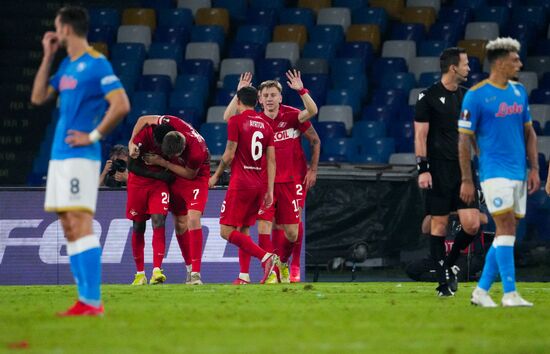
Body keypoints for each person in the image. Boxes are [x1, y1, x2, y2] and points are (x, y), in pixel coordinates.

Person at [30, 6, 130, 316]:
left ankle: (93, 300)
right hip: (59, 156)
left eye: (57, 28)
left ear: (66, 29)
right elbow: (37, 97)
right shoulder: (67, 67)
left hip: (80, 156)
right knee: (68, 225)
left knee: (80, 222)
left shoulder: (96, 64)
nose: (55, 33)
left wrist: (94, 135)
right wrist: (48, 56)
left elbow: (121, 104)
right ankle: (84, 299)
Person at [459, 37, 540, 307]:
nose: (520, 63)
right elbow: (464, 139)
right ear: (500, 62)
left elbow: (529, 133)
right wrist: (468, 179)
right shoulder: (477, 95)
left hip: (518, 172)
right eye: (515, 59)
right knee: (505, 227)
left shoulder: (519, 92)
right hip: (494, 172)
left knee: (507, 232)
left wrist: (534, 168)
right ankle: (510, 293)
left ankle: (481, 291)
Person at [223, 71, 318, 284]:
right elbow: (229, 118)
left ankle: (283, 262)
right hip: (265, 182)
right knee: (264, 226)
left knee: (292, 233)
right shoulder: (256, 120)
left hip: (291, 181)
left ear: (280, 97)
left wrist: (301, 90)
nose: (269, 98)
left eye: (273, 94)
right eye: (265, 95)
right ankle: (273, 272)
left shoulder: (292, 115)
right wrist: (238, 93)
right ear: (259, 99)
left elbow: (312, 110)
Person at [414, 47, 480, 297]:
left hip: (463, 170)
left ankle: (450, 264)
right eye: (465, 64)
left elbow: (472, 133)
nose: (469, 68)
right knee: (439, 226)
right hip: (438, 169)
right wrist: (423, 169)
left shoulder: (468, 97)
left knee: (472, 225)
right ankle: (443, 282)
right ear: (453, 67)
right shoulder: (427, 97)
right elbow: (420, 136)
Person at [129, 115, 210, 285]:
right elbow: (143, 119)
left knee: (193, 218)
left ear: (180, 153)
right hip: (174, 175)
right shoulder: (172, 122)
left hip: (195, 176)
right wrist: (131, 142)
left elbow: (189, 174)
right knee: (180, 223)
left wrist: (162, 162)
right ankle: (189, 269)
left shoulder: (196, 151)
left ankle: (195, 273)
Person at [209, 86, 278, 284]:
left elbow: (229, 153)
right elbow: (271, 161)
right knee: (244, 230)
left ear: (238, 102)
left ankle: (266, 257)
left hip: (241, 183)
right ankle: (244, 276)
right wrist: (270, 190)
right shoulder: (266, 126)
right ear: (257, 102)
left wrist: (215, 176)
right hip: (258, 184)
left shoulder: (236, 121)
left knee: (226, 231)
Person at [126, 124, 175, 285]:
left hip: (158, 186)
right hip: (138, 185)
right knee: (138, 226)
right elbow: (131, 166)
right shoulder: (143, 136)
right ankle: (140, 274)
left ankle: (157, 270)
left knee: (159, 221)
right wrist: (158, 174)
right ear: (154, 138)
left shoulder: (172, 138)